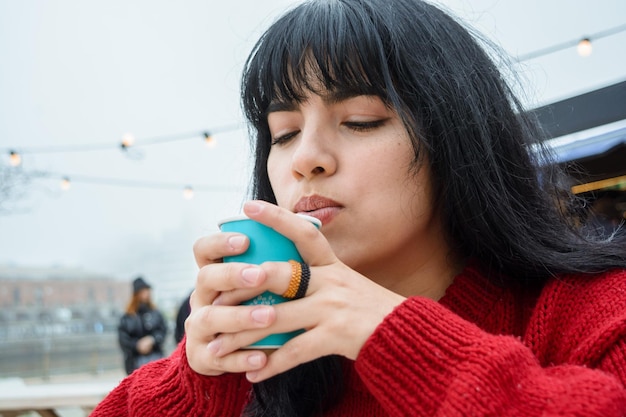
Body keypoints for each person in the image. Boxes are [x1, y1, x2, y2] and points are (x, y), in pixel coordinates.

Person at [93, 0, 626, 415]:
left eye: (360, 120)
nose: (306, 159)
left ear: (457, 140)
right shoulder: (262, 357)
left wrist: (396, 339)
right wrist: (195, 385)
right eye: (283, 133)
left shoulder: (593, 312)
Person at [117, 276, 168, 375]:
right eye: (144, 291)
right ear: (137, 294)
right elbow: (123, 340)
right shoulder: (127, 317)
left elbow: (163, 331)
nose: (148, 293)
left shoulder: (156, 313)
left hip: (156, 360)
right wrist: (137, 345)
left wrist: (152, 340)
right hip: (135, 363)